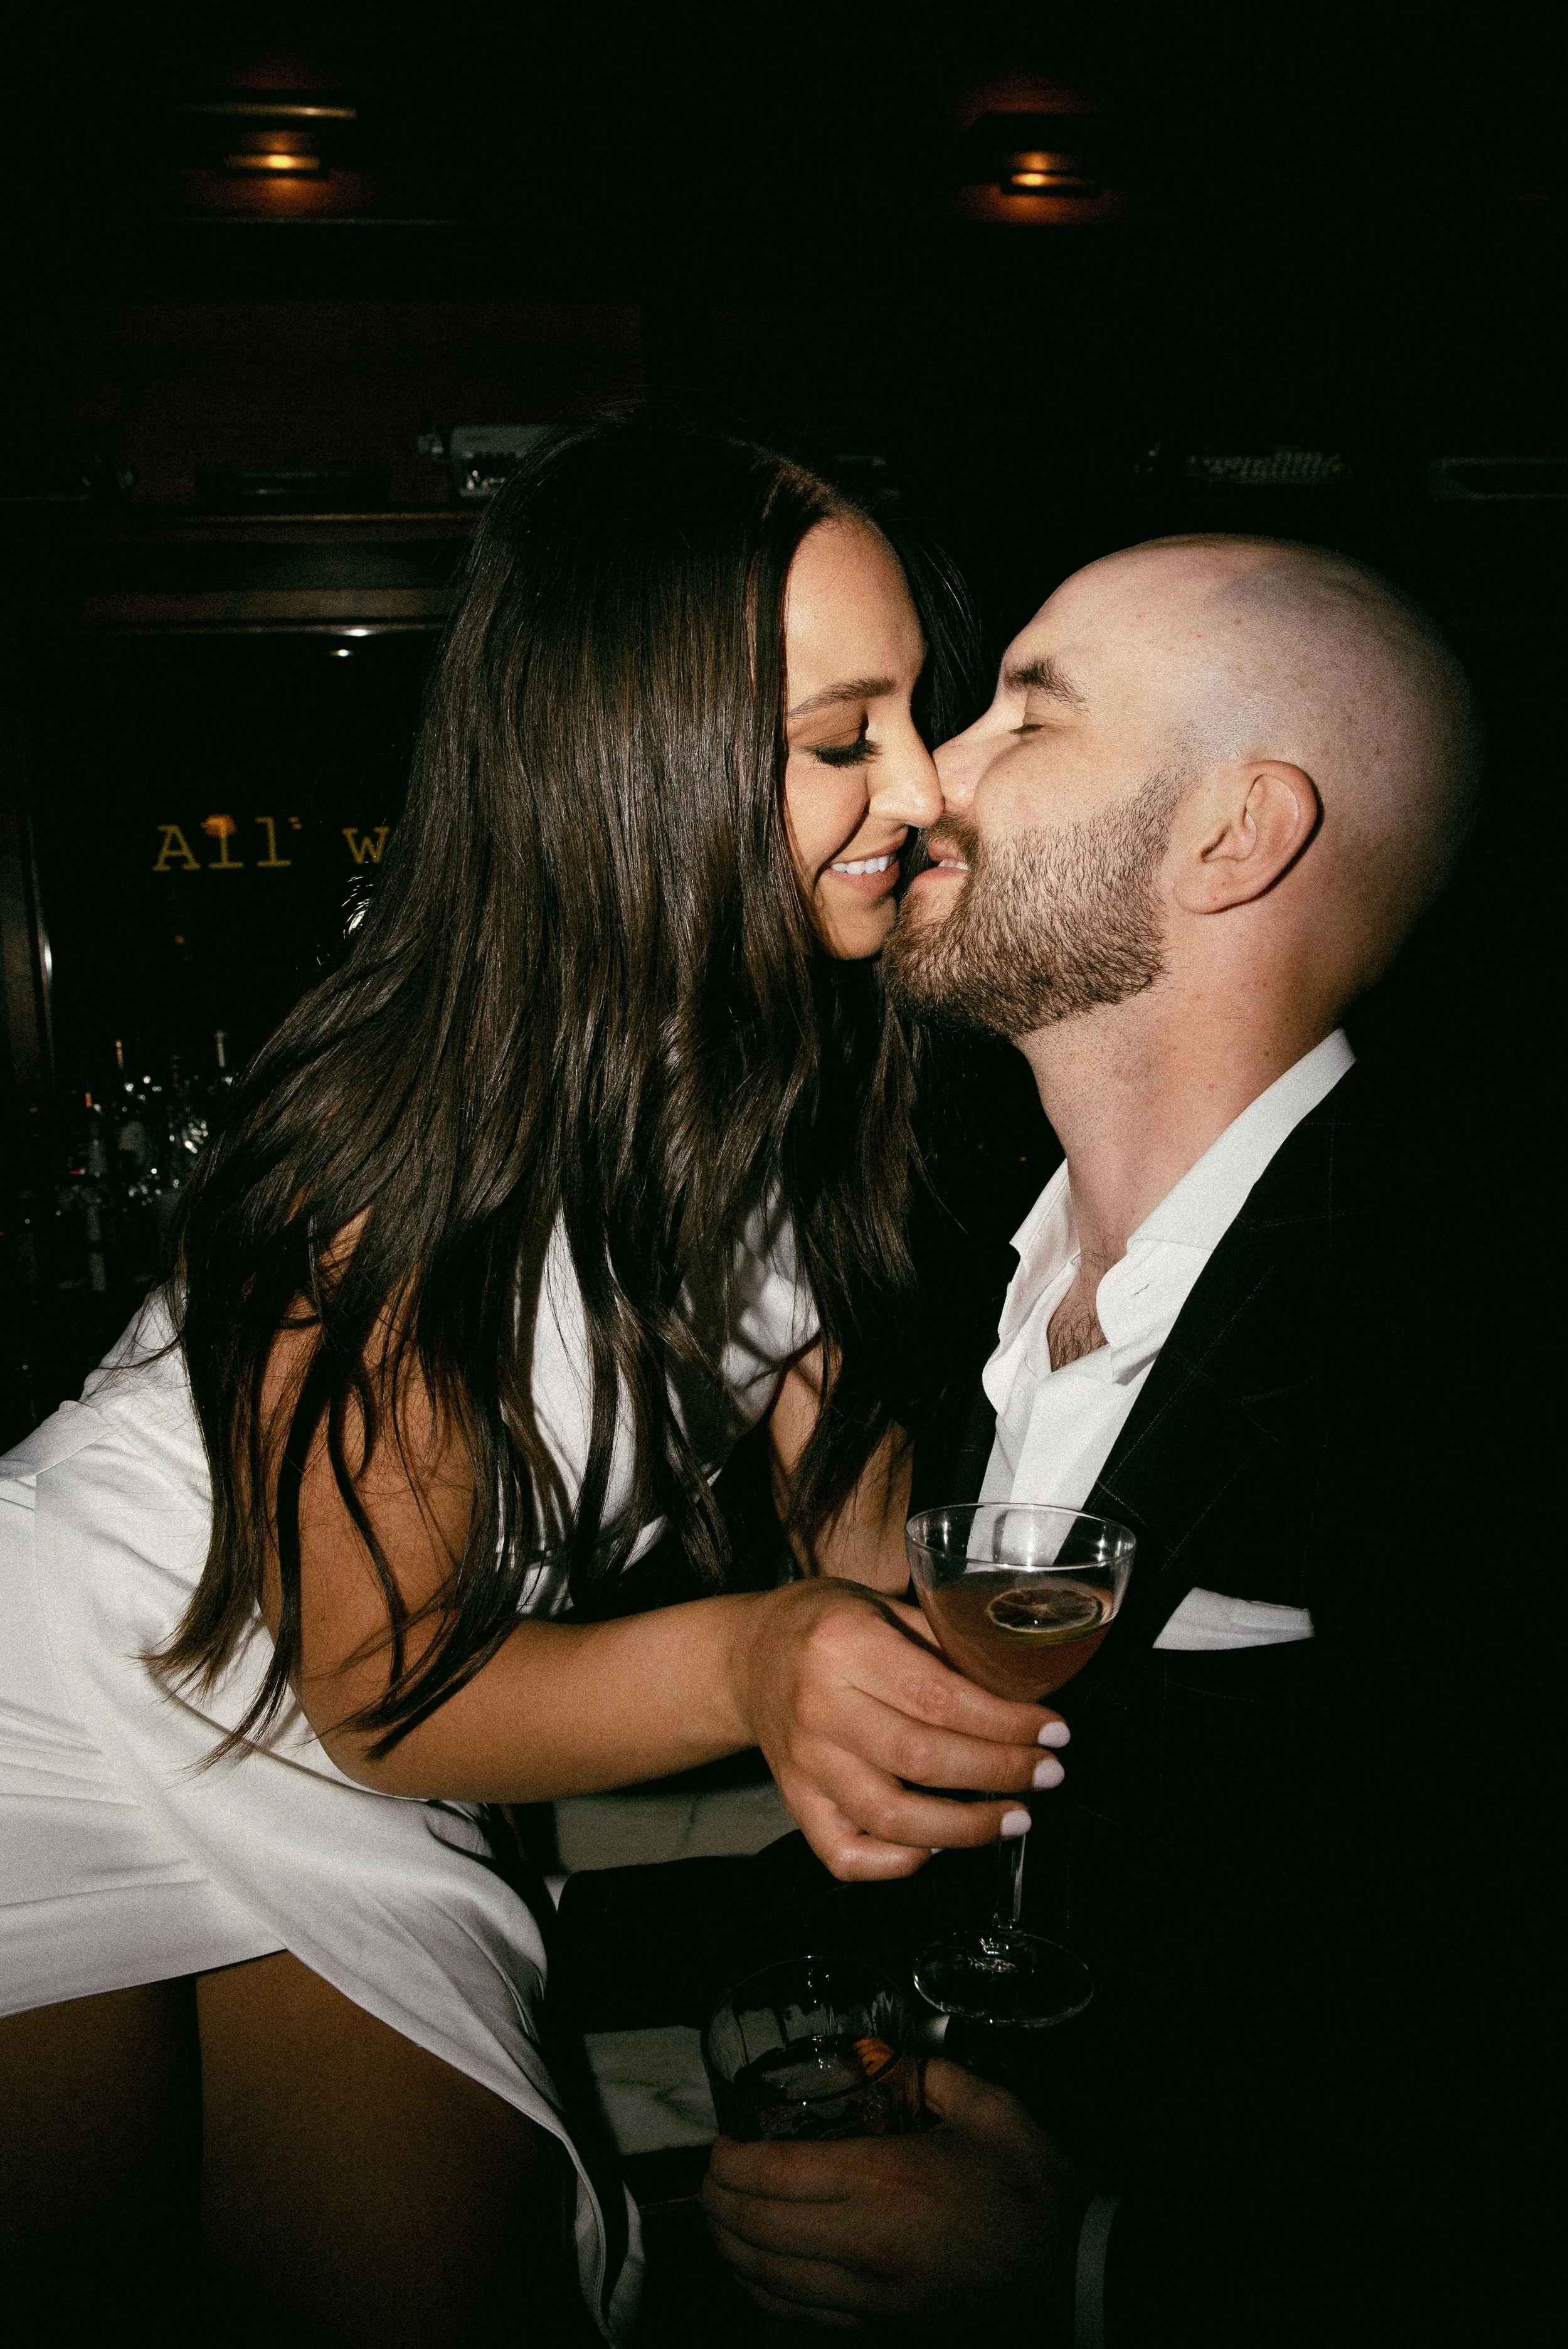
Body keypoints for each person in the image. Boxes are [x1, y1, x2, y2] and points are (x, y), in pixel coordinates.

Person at [0, 416, 1067, 2347]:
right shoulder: (397, 1168)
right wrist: (763, 1662)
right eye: (845, 738)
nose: (921, 786)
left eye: (922, 710)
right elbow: (397, 1700)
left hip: (343, 1711)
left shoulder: (797, 1062)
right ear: (633, 771)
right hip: (71, 1685)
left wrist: (962, 1642)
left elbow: (842, 1471)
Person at [702, 534, 1545, 2344]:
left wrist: (1091, 2269)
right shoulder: (932, 1266)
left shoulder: (1465, 1343)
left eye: (1028, 712)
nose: (928, 774)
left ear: (1232, 835)